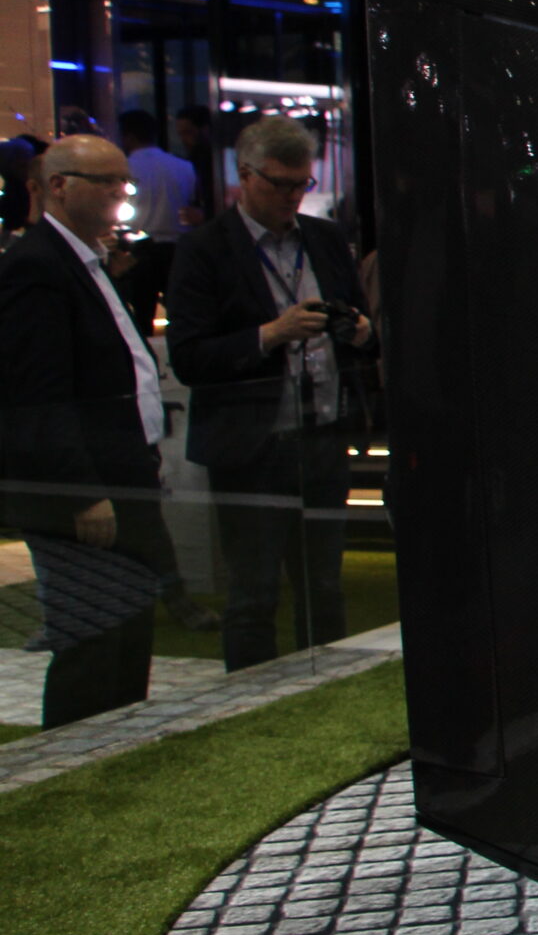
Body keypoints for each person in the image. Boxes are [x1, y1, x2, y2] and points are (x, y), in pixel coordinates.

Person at [167, 114, 376, 671]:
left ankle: (327, 689)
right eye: (280, 184)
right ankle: (249, 698)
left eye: (301, 184)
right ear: (245, 175)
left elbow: (364, 330)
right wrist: (270, 334)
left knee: (323, 586)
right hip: (251, 449)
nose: (292, 196)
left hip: (322, 437)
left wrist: (360, 332)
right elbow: (188, 357)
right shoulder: (205, 249)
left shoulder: (324, 239)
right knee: (254, 592)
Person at [0, 135, 180, 723]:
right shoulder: (36, 266)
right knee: (94, 642)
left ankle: (118, 748)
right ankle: (79, 757)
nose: (120, 192)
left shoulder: (86, 260)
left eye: (123, 180)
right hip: (88, 488)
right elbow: (37, 397)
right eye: (106, 181)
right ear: (59, 186)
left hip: (123, 473)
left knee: (125, 634)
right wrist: (81, 491)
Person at [115, 108, 201, 330]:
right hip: (178, 248)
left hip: (141, 249)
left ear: (128, 136)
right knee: (181, 315)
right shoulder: (184, 166)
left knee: (140, 317)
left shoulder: (125, 168)